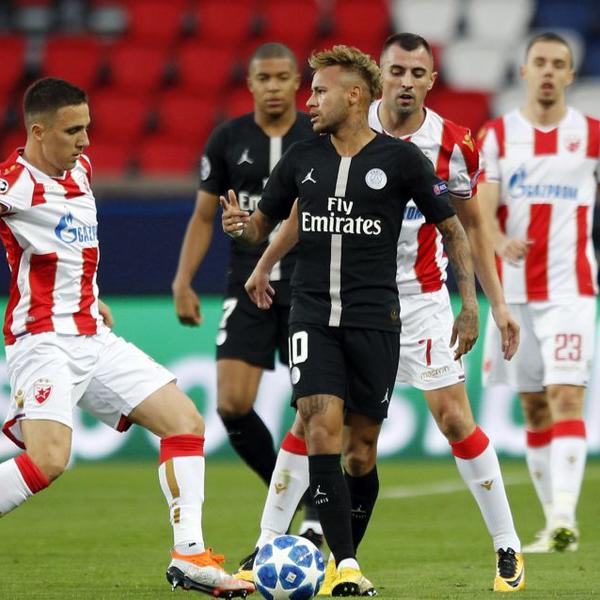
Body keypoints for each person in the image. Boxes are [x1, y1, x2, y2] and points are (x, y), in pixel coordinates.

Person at [239, 34, 526, 595]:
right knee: (311, 422)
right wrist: (266, 262)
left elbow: (468, 227)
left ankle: (507, 545)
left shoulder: (451, 143)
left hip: (418, 301)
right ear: (375, 81)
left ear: (431, 81)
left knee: (453, 419)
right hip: (338, 297)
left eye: (418, 73)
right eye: (397, 71)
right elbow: (306, 210)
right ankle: (268, 544)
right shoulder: (340, 126)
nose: (406, 82)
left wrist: (491, 304)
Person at [0, 78, 254, 598]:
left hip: (92, 335)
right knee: (49, 459)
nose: (86, 141)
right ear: (38, 132)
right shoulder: (13, 184)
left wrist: (89, 296)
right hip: (43, 338)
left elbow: (69, 249)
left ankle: (189, 555)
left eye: (88, 127)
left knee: (184, 420)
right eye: (73, 131)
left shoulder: (82, 170)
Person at [171, 42, 322, 542]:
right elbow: (203, 217)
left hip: (307, 281)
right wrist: (183, 280)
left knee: (314, 405)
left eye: (282, 77)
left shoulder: (317, 134)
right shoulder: (227, 138)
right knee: (232, 404)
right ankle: (288, 494)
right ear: (250, 83)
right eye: (264, 78)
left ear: (297, 83)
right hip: (246, 281)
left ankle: (316, 510)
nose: (273, 86)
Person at [479, 32, 599, 554]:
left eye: (558, 64)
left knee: (567, 395)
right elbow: (482, 211)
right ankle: (554, 526)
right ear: (524, 70)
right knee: (533, 408)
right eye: (540, 62)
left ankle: (565, 517)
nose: (549, 71)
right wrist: (500, 240)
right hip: (514, 294)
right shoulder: (498, 135)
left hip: (572, 289)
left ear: (570, 75)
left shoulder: (592, 135)